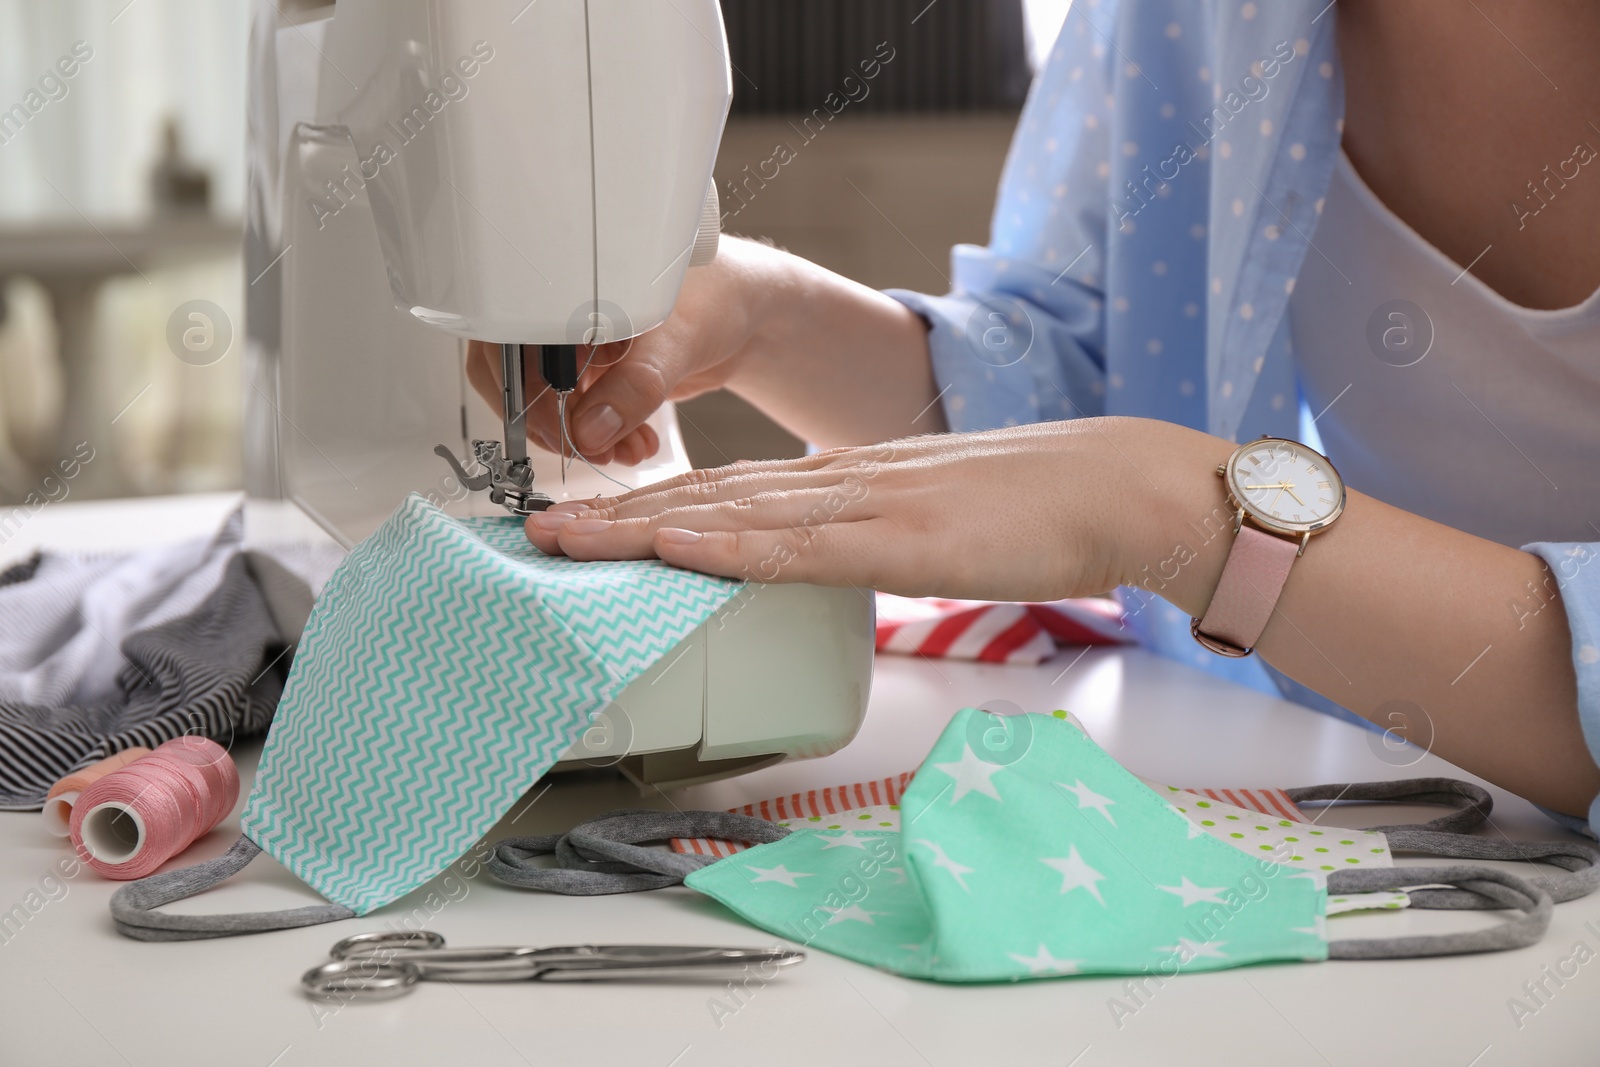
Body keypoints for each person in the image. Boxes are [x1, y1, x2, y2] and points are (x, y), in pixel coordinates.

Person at [469, 1, 1600, 832]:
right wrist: (772, 319)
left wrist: (1174, 509)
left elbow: (1135, 472)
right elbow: (1111, 384)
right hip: (1379, 785)